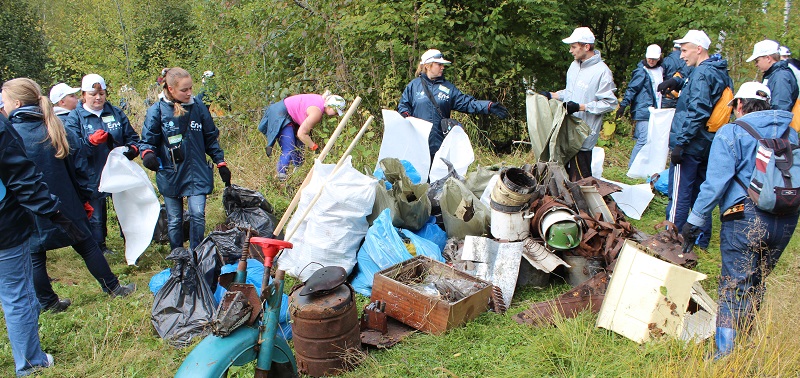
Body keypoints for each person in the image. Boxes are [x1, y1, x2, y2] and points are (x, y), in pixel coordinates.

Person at [681, 82, 798, 359]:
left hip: (744, 218)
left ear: (740, 105)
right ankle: (746, 343)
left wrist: (694, 221)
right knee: (757, 281)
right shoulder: (792, 133)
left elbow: (714, 185)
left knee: (734, 285)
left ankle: (725, 355)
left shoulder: (733, 132)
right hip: (786, 220)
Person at [2, 78, 136, 314]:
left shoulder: (11, 134)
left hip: (31, 207)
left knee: (36, 256)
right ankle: (114, 288)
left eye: (4, 101)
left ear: (17, 102)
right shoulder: (56, 126)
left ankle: (49, 302)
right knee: (87, 246)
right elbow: (81, 168)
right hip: (66, 204)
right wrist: (85, 197)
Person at [0, 109, 85, 376]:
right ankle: (31, 362)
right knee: (17, 295)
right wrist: (54, 211)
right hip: (4, 227)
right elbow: (21, 175)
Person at [657, 30, 733, 250]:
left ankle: (672, 237)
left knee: (679, 192)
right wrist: (676, 82)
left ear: (698, 48)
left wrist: (681, 142)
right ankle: (700, 239)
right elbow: (700, 91)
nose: (681, 56)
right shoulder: (719, 71)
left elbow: (698, 110)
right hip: (708, 143)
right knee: (701, 192)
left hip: (691, 144)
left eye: (684, 50)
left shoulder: (701, 73)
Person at [140, 67, 230, 252]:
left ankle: (197, 255)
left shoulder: (198, 107)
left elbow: (210, 138)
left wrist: (220, 162)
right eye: (184, 90)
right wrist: (148, 154)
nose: (189, 93)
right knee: (174, 219)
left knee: (197, 214)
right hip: (171, 172)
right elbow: (147, 140)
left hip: (197, 171)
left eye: (191, 88)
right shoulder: (157, 110)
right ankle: (178, 256)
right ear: (171, 89)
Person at [63, 74, 140, 255]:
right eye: (93, 94)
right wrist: (90, 142)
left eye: (101, 93)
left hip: (118, 171)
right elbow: (72, 148)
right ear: (83, 95)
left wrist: (132, 149)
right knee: (96, 216)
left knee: (125, 209)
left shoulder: (114, 112)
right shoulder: (75, 117)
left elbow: (132, 138)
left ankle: (132, 244)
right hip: (91, 173)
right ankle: (99, 248)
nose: (98, 98)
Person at [397, 49, 509, 160]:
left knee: (440, 177)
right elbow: (404, 106)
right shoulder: (413, 86)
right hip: (419, 145)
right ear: (427, 66)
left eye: (443, 64)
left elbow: (467, 103)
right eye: (439, 64)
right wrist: (405, 116)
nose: (442, 67)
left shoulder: (448, 88)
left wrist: (488, 106)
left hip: (441, 146)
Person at [540, 27, 617, 180]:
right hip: (567, 130)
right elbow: (570, 92)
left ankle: (585, 203)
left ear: (586, 47)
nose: (570, 50)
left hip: (584, 134)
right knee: (562, 177)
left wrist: (581, 107)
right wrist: (552, 95)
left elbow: (609, 103)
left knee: (580, 179)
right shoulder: (574, 66)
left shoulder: (602, 72)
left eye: (574, 47)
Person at [257, 93, 347, 181]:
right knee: (289, 148)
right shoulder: (317, 112)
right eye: (336, 112)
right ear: (330, 106)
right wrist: (315, 147)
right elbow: (302, 134)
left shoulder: (321, 101)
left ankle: (296, 176)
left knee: (299, 147)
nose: (336, 115)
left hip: (288, 114)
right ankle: (281, 178)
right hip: (281, 114)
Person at [617, 44, 664, 167]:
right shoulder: (641, 71)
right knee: (643, 139)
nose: (651, 61)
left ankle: (642, 166)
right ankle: (632, 167)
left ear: (659, 58)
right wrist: (623, 105)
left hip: (655, 109)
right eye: (649, 58)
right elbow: (632, 89)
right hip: (643, 109)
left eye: (654, 58)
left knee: (648, 139)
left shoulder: (660, 70)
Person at [746, 39, 798, 111]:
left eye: (757, 61)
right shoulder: (773, 75)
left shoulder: (781, 76)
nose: (756, 65)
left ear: (768, 58)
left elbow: (780, 111)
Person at [660, 43, 693, 109]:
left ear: (673, 48)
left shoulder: (666, 60)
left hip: (667, 96)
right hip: (683, 97)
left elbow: (661, 76)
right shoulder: (690, 61)